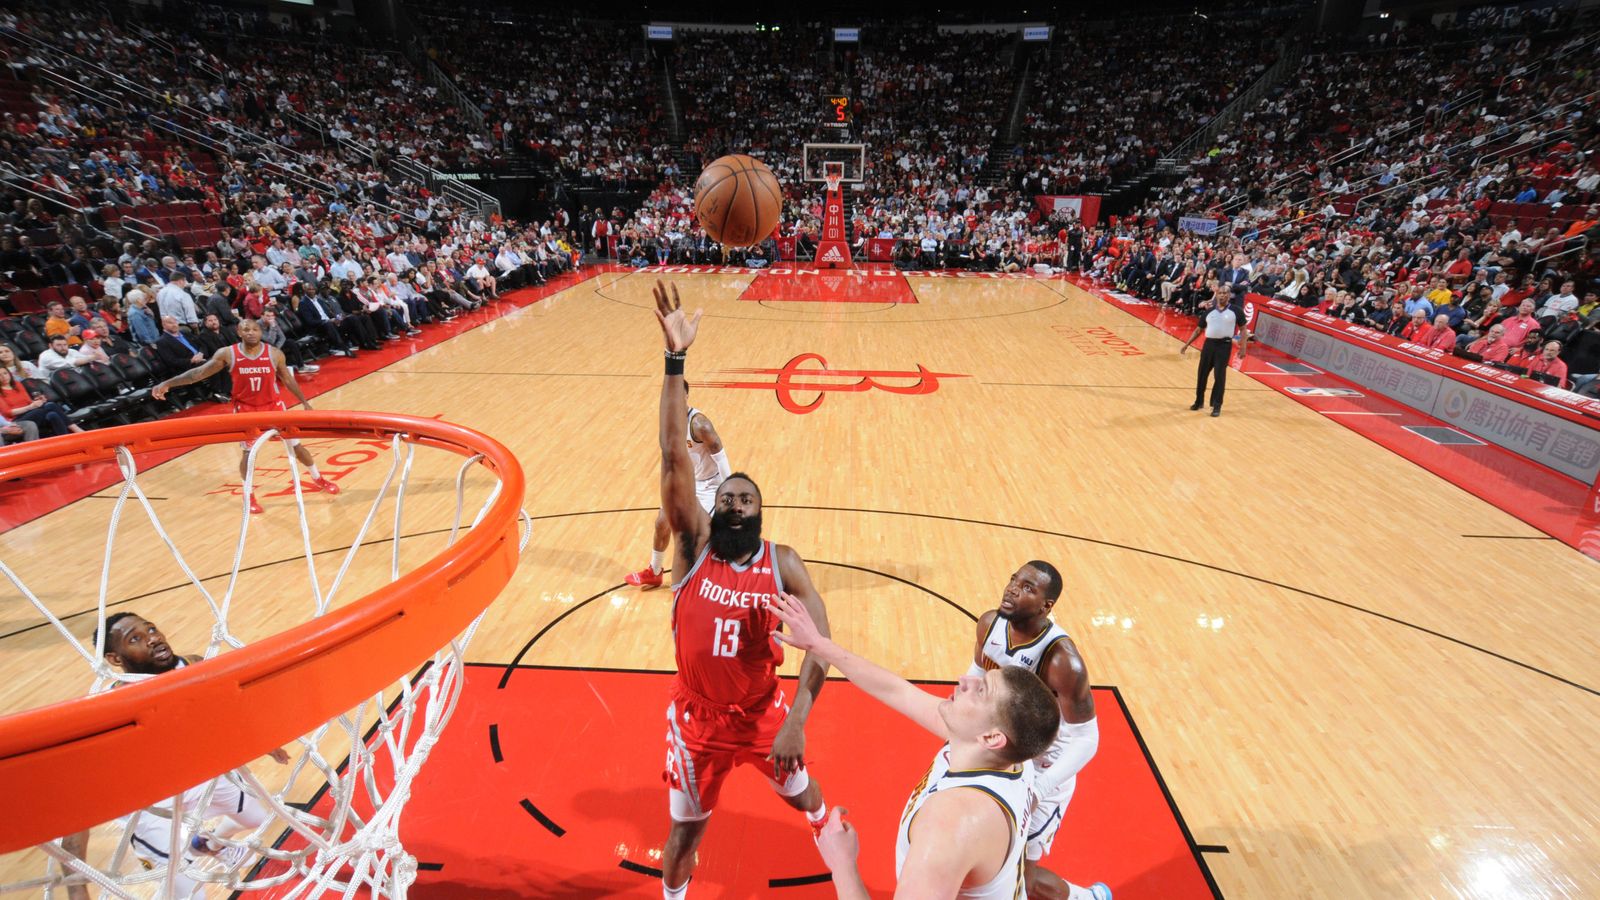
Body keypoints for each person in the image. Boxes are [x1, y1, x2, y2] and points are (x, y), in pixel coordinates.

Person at [652, 281, 831, 899]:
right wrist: (675, 360)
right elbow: (673, 457)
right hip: (695, 719)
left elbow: (821, 643)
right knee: (683, 836)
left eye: (745, 500)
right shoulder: (692, 550)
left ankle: (823, 826)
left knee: (804, 794)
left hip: (761, 713)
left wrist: (797, 723)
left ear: (759, 513)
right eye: (726, 498)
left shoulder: (783, 563)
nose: (733, 503)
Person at [765, 591, 1061, 899]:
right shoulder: (1006, 754)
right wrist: (817, 644)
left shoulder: (951, 824)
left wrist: (842, 863)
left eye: (981, 690)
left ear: (991, 738)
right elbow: (897, 691)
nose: (966, 680)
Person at [60, 613, 291, 900]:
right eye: (135, 639)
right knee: (189, 893)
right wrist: (76, 890)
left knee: (257, 817)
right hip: (150, 805)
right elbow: (77, 804)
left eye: (151, 629)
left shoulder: (191, 665)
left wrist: (263, 741)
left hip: (196, 776)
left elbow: (223, 706)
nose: (153, 639)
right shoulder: (107, 712)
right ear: (114, 658)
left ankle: (208, 843)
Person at [968, 563, 1111, 900]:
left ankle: (1086, 898)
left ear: (1046, 606)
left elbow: (1087, 739)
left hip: (1045, 768)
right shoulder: (989, 625)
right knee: (985, 863)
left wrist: (1038, 789)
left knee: (1022, 880)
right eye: (1013, 580)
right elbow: (976, 677)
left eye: (1027, 588)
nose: (1013, 589)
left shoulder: (1062, 660)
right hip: (1005, 752)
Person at [152, 319, 340, 514]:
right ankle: (248, 495)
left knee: (297, 447)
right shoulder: (227, 353)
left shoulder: (274, 353)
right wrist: (168, 383)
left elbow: (287, 379)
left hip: (274, 408)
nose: (251, 332)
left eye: (255, 329)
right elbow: (198, 373)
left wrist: (304, 402)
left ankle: (318, 478)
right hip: (246, 411)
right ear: (239, 332)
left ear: (261, 332)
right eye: (246, 329)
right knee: (249, 455)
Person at [626, 383, 731, 588]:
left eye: (678, 396)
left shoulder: (699, 424)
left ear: (686, 396)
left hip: (709, 484)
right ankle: (655, 571)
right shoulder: (668, 422)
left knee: (700, 534)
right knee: (661, 523)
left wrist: (729, 489)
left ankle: (721, 576)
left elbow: (721, 457)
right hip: (684, 482)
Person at [1181, 288, 1249, 416]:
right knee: (1202, 374)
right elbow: (1198, 330)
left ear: (1229, 295)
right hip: (1208, 345)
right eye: (1220, 293)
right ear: (1216, 295)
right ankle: (1199, 401)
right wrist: (1187, 344)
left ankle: (1217, 406)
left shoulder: (1236, 311)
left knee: (1219, 376)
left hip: (1224, 346)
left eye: (1225, 293)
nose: (1222, 295)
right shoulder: (1209, 311)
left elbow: (1244, 329)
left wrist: (1243, 347)